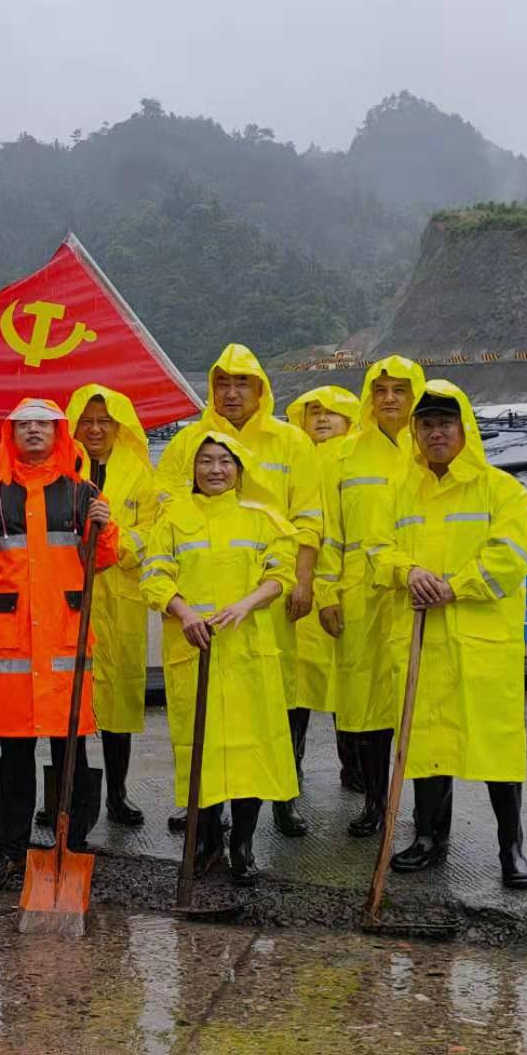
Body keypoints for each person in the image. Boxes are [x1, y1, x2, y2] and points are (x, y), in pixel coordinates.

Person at [366, 382, 527, 889]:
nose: (435, 433)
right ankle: (428, 839)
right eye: (426, 424)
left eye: (445, 423)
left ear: (465, 429)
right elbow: (377, 550)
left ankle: (511, 847)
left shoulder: (501, 489)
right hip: (420, 639)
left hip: (481, 644)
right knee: (425, 741)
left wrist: (453, 587)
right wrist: (409, 571)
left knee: (497, 745)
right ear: (415, 432)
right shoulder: (398, 491)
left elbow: (509, 559)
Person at [0, 398, 119, 893]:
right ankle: (10, 852)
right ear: (10, 435)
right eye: (23, 425)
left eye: (42, 425)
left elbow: (102, 559)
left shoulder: (84, 493)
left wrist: (105, 525)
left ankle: (74, 845)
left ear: (58, 434)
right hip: (13, 648)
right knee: (15, 755)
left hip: (66, 644)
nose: (32, 431)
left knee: (72, 751)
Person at [156, 344, 319, 838]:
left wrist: (302, 581)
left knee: (276, 695)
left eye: (241, 383)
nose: (231, 393)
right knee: (201, 709)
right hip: (201, 597)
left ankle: (284, 795)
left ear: (260, 388)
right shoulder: (187, 441)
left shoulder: (291, 441)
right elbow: (166, 506)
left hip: (265, 593)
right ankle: (202, 801)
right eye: (222, 383)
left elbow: (309, 517)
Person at [141, 433, 299, 886]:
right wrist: (184, 612)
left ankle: (242, 845)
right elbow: (154, 576)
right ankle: (206, 840)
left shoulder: (261, 519)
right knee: (200, 750)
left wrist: (248, 603)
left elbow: (281, 572)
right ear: (192, 469)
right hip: (194, 650)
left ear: (239, 468)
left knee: (251, 752)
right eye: (206, 461)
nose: (215, 469)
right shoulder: (173, 519)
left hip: (247, 650)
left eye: (225, 461)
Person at [316, 357, 427, 838]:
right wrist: (326, 592)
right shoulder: (344, 455)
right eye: (380, 390)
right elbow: (330, 530)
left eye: (400, 390)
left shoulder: (431, 448)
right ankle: (376, 802)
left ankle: (426, 814)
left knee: (420, 700)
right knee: (365, 702)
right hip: (360, 592)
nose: (389, 398)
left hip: (415, 592)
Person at [66, 385, 163, 827]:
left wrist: (114, 543)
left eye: (104, 421)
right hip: (72, 597)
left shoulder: (141, 474)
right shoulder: (62, 469)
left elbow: (153, 530)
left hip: (120, 594)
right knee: (72, 699)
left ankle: (118, 794)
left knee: (119, 698)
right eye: (86, 421)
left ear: (119, 425)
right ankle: (71, 794)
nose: (95, 429)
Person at [284, 385, 363, 794]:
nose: (321, 418)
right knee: (296, 685)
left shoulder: (358, 460)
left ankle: (356, 770)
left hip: (349, 587)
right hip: (300, 582)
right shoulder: (293, 458)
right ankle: (290, 766)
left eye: (331, 412)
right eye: (314, 411)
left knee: (348, 686)